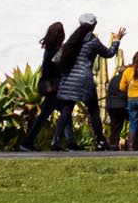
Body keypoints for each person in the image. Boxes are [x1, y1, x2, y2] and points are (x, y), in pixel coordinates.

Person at [53, 15, 123, 151]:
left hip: (68, 80)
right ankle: (101, 141)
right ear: (92, 26)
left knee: (66, 111)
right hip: (84, 81)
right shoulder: (92, 41)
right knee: (94, 111)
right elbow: (108, 53)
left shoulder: (72, 40)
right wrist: (116, 41)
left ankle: (55, 140)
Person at [18, 21, 66, 151]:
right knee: (47, 115)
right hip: (55, 87)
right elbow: (61, 65)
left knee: (64, 112)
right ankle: (28, 142)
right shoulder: (57, 49)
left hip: (50, 85)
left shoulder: (48, 49)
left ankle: (64, 141)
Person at [105, 58, 130, 149]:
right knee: (123, 124)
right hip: (122, 105)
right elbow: (125, 92)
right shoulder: (125, 79)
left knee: (114, 126)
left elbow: (109, 92)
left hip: (112, 105)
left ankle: (113, 143)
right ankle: (132, 142)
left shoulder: (113, 79)